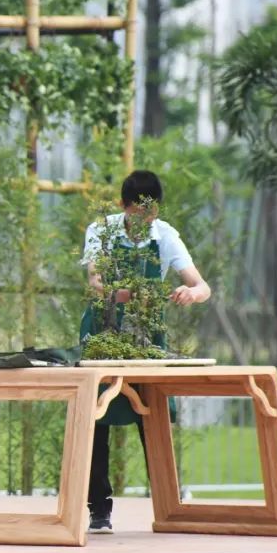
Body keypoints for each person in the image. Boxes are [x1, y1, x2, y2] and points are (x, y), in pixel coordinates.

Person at [80, 170, 211, 534]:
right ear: (125, 207)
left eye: (151, 213)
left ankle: (170, 505)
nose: (145, 220)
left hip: (147, 338)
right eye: (139, 212)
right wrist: (123, 293)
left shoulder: (165, 235)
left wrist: (191, 294)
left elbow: (202, 286)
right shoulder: (102, 230)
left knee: (154, 415)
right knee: (95, 418)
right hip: (104, 332)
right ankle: (98, 509)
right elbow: (95, 282)